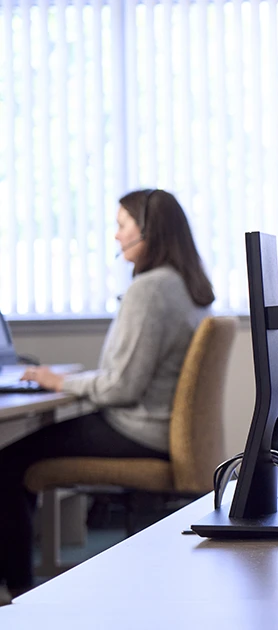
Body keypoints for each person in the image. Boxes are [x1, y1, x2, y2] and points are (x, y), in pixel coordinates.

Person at [0, 189, 214, 598]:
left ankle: (18, 589)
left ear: (147, 231)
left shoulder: (149, 289)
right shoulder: (186, 285)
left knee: (7, 464)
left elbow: (120, 387)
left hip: (136, 428)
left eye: (121, 226)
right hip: (156, 425)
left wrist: (59, 381)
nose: (115, 237)